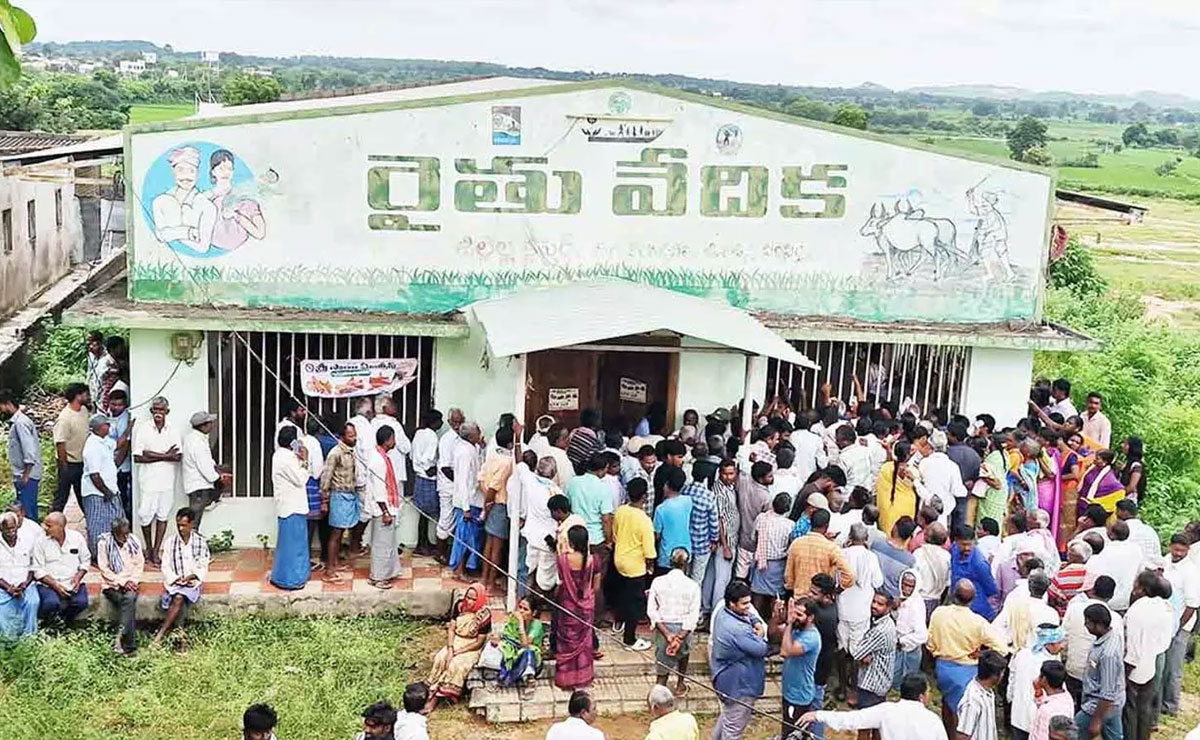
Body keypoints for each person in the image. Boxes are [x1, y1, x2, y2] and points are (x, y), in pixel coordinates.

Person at [928, 579, 1007, 735]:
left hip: (943, 667)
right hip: (966, 669)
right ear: (973, 599)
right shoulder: (978, 622)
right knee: (962, 711)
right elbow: (1002, 648)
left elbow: (930, 643)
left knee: (948, 704)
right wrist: (981, 654)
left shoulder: (939, 613)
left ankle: (947, 735)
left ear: (953, 594)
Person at [798, 673, 950, 740]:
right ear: (922, 697)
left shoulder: (886, 710)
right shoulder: (933, 720)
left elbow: (853, 719)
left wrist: (818, 715)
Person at [710, 579, 768, 740]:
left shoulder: (723, 611)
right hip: (739, 686)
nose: (748, 607)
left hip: (727, 681)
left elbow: (749, 615)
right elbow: (762, 649)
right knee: (732, 731)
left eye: (749, 602)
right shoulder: (737, 629)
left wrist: (757, 622)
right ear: (732, 603)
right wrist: (761, 633)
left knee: (728, 719)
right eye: (744, 604)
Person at [1123, 571, 1173, 740]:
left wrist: (1126, 673)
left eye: (1135, 586)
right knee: (1145, 707)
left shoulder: (1137, 610)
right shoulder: (1165, 607)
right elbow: (1165, 641)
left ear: (1143, 589)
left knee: (1130, 708)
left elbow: (1133, 647)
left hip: (1135, 664)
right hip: (1154, 660)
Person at [133, 397, 183, 565]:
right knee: (145, 515)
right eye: (155, 409)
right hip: (148, 481)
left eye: (161, 410)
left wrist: (151, 454)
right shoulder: (144, 429)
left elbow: (178, 456)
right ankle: (148, 548)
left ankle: (156, 551)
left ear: (167, 411)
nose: (158, 413)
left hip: (167, 481)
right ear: (151, 411)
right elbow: (138, 457)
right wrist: (166, 455)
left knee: (163, 515)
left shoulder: (173, 429)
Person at [426, 583, 492, 707]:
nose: (469, 601)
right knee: (441, 658)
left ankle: (439, 696)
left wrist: (458, 652)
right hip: (456, 640)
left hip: (471, 646)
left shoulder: (484, 616)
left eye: (473, 599)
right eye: (468, 597)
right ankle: (433, 689)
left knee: (455, 665)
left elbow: (479, 643)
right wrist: (451, 649)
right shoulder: (460, 606)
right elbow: (451, 629)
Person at [568, 451, 614, 622]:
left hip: (575, 537)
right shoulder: (603, 488)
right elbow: (606, 518)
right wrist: (608, 541)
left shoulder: (573, 483)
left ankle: (575, 612)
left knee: (576, 578)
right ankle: (595, 617)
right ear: (603, 469)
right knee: (596, 581)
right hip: (596, 540)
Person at [647, 547, 701, 696]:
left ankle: (659, 693)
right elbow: (693, 616)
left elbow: (652, 611)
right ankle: (680, 684)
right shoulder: (693, 586)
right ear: (687, 564)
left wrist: (668, 635)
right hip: (683, 629)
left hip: (663, 628)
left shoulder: (658, 582)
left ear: (670, 562)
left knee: (662, 665)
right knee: (683, 655)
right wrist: (680, 637)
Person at [1062, 576, 1122, 709]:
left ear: (1093, 590)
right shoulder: (1116, 619)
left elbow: (1064, 637)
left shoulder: (1074, 608)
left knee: (1071, 708)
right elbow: (1119, 650)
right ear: (1111, 596)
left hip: (1074, 669)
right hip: (1098, 678)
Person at [153, 507, 210, 646]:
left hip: (192, 582)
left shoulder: (200, 542)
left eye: (184, 525)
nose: (180, 528)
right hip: (175, 582)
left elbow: (203, 565)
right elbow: (165, 566)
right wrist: (176, 579)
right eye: (178, 525)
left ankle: (161, 634)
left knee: (178, 598)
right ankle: (181, 639)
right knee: (179, 598)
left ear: (191, 524)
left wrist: (193, 577)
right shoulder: (170, 542)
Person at [611, 477, 655, 650]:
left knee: (622, 595)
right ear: (644, 497)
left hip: (619, 559)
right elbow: (649, 552)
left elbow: (615, 533)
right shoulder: (644, 520)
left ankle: (618, 623)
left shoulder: (621, 511)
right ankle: (629, 640)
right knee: (635, 604)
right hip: (635, 566)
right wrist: (650, 566)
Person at [269, 425, 312, 590]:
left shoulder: (282, 455)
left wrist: (299, 458)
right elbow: (301, 479)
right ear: (292, 442)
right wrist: (305, 460)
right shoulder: (285, 458)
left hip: (291, 506)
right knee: (293, 546)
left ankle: (291, 576)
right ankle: (291, 579)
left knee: (291, 544)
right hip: (292, 507)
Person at [1162, 533, 1200, 717]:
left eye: (1182, 551)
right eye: (1175, 550)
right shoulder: (1165, 561)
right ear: (1170, 546)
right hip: (1163, 620)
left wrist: (1177, 627)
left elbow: (1192, 605)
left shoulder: (1191, 572)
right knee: (1161, 664)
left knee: (1173, 667)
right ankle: (1159, 701)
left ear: (1188, 550)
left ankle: (1170, 706)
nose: (1178, 554)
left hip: (1181, 625)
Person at [555, 525, 598, 690]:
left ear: (571, 542)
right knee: (584, 644)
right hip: (586, 607)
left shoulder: (563, 560)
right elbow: (596, 587)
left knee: (566, 642)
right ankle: (583, 678)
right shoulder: (594, 561)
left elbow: (561, 581)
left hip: (567, 606)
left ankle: (566, 679)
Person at [1009, 624, 1068, 740]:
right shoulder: (1050, 667)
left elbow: (1011, 679)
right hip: (1038, 721)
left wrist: (1011, 698)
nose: (1063, 646)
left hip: (1018, 716)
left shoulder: (1022, 654)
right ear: (1049, 644)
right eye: (1060, 642)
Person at [1075, 603, 1124, 740]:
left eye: (1088, 622)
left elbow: (1107, 692)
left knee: (1072, 733)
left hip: (1098, 706)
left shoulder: (1108, 654)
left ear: (1099, 625)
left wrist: (1096, 720)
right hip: (1109, 705)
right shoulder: (1110, 636)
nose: (1085, 625)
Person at [479, 423, 519, 590]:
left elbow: (481, 479)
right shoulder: (508, 462)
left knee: (489, 543)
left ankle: (484, 579)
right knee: (497, 547)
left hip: (491, 503)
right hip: (499, 505)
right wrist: (488, 503)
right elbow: (494, 487)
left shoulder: (493, 455)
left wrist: (487, 503)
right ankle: (489, 582)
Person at [96, 517, 143, 654]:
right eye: (122, 535)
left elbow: (139, 564)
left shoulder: (134, 541)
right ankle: (129, 645)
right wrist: (122, 582)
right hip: (112, 585)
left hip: (131, 584)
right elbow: (104, 569)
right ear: (114, 533)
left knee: (128, 599)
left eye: (127, 533)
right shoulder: (104, 543)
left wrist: (132, 581)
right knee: (126, 602)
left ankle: (120, 640)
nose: (125, 537)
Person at [366, 425, 405, 589]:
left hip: (386, 507)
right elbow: (379, 489)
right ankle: (378, 577)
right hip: (382, 509)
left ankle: (387, 573)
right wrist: (385, 512)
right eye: (393, 438)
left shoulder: (381, 457)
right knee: (382, 544)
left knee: (388, 543)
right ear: (388, 440)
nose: (394, 442)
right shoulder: (378, 460)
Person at [81, 413, 124, 559]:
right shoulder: (92, 446)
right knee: (97, 526)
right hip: (97, 493)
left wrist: (129, 429)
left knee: (114, 522)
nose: (109, 426)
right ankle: (96, 556)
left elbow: (118, 444)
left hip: (109, 490)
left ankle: (110, 553)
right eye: (106, 424)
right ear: (99, 428)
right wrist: (106, 492)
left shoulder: (104, 441)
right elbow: (94, 475)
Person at [32, 511, 89, 623]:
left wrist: (78, 577)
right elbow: (37, 569)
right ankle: (50, 624)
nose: (44, 528)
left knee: (81, 602)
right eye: (45, 525)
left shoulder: (77, 538)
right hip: (49, 585)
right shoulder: (40, 541)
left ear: (61, 527)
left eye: (49, 526)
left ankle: (65, 622)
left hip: (72, 583)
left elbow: (86, 560)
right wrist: (55, 586)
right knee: (51, 603)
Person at [319, 422, 358, 581]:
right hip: (338, 496)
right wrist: (324, 500)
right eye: (351, 436)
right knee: (335, 533)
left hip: (349, 495)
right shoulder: (335, 453)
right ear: (342, 437)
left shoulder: (351, 452)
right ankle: (329, 570)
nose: (354, 438)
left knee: (341, 532)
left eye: (355, 435)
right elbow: (326, 478)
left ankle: (335, 562)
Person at [702, 459, 740, 625]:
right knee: (721, 580)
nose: (729, 477)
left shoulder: (729, 487)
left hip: (729, 539)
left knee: (712, 577)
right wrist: (725, 546)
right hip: (726, 542)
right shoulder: (718, 492)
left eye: (731, 473)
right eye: (725, 474)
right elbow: (719, 520)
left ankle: (707, 610)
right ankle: (716, 615)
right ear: (720, 473)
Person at [780, 596, 822, 740]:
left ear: (810, 618)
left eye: (799, 614)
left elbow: (785, 651)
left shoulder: (811, 637)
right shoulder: (797, 629)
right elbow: (773, 634)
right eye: (793, 613)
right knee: (787, 731)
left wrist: (789, 623)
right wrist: (778, 617)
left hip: (799, 696)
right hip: (790, 691)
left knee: (795, 735)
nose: (794, 617)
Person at [449, 422, 484, 578]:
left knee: (472, 538)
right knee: (464, 538)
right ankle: (459, 570)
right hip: (467, 502)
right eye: (477, 432)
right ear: (470, 436)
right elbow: (462, 481)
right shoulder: (464, 452)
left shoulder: (470, 448)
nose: (480, 434)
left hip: (472, 499)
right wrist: (466, 508)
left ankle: (465, 568)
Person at [751, 492, 794, 620]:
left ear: (773, 504)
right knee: (776, 596)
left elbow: (753, 537)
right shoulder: (790, 525)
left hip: (761, 562)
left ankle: (754, 620)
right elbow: (790, 546)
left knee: (757, 594)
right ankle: (774, 622)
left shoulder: (761, 518)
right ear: (787, 509)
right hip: (779, 565)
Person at [852, 591, 897, 714]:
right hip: (879, 682)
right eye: (874, 601)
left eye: (880, 604)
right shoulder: (884, 622)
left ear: (888, 608)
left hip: (872, 685)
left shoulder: (881, 630)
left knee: (866, 721)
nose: (874, 606)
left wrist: (864, 652)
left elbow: (856, 653)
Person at [1, 389, 42, 522]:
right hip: (25, 475)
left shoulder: (20, 423)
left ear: (7, 404)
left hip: (27, 476)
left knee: (27, 513)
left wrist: (26, 475)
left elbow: (29, 451)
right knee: (27, 509)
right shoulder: (19, 422)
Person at [994, 570, 1060, 653]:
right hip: (1042, 656)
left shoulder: (1016, 607)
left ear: (1029, 586)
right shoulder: (1052, 613)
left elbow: (996, 628)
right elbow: (1054, 641)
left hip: (1019, 654)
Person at [51, 383, 90, 514]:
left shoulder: (84, 411)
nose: (88, 397)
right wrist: (64, 466)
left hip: (82, 461)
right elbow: (60, 443)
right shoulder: (65, 419)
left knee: (83, 495)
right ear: (77, 396)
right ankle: (54, 519)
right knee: (62, 495)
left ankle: (91, 519)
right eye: (85, 394)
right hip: (69, 462)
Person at [494, 595, 546, 692]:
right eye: (520, 607)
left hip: (532, 661)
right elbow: (507, 636)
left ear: (534, 613)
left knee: (528, 651)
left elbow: (525, 644)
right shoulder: (514, 621)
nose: (521, 611)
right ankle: (504, 676)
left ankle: (529, 680)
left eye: (525, 609)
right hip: (514, 655)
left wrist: (521, 624)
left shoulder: (536, 625)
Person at [182, 411, 224, 529]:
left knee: (193, 520)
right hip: (199, 487)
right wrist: (218, 478)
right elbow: (205, 467)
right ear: (203, 426)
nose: (212, 425)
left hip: (195, 486)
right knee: (194, 522)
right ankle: (191, 540)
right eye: (210, 423)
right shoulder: (197, 442)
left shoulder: (192, 439)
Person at [410, 409, 443, 556]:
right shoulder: (432, 436)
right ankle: (422, 545)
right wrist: (431, 468)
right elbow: (428, 458)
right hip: (428, 477)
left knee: (423, 514)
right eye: (439, 420)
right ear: (434, 422)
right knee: (428, 513)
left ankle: (423, 542)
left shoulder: (418, 433)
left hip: (419, 476)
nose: (441, 423)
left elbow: (412, 455)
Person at [680, 465, 718, 591]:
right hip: (702, 544)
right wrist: (714, 540)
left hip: (686, 542)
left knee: (684, 576)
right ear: (706, 478)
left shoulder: (685, 491)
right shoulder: (709, 496)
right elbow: (713, 522)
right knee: (697, 579)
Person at [435, 408, 466, 561]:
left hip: (458, 487)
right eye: (455, 422)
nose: (457, 425)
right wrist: (460, 481)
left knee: (456, 520)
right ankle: (440, 553)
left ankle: (451, 553)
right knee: (446, 518)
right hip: (448, 485)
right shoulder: (447, 440)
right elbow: (445, 467)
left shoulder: (463, 438)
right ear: (449, 422)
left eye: (460, 421)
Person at [919, 430, 967, 528]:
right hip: (944, 512)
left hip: (925, 510)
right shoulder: (952, 466)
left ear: (930, 446)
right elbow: (958, 492)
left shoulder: (924, 463)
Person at [949, 525, 999, 619]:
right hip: (957, 606)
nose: (967, 548)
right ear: (956, 541)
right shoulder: (954, 550)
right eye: (963, 544)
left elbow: (991, 589)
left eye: (969, 544)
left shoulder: (979, 564)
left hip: (977, 612)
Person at [956, 649, 1007, 740]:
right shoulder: (973, 701)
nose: (1003, 675)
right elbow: (963, 736)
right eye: (1002, 672)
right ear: (994, 676)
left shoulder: (987, 691)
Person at [347, 397, 375, 555]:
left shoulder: (349, 422)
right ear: (369, 412)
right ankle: (355, 544)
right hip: (362, 476)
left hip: (347, 475)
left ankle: (353, 543)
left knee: (351, 510)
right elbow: (368, 454)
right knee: (366, 511)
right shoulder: (366, 427)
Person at [735, 461, 773, 578]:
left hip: (741, 536)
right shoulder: (765, 497)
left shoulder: (743, 481)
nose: (772, 478)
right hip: (755, 541)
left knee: (740, 573)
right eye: (770, 476)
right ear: (761, 479)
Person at [653, 466, 694, 577]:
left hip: (666, 556)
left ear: (666, 485)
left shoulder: (661, 509)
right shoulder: (688, 501)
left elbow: (657, 535)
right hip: (685, 552)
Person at [1092, 519, 1140, 612]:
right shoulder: (1136, 550)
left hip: (1105, 600)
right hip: (1125, 601)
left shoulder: (1106, 550)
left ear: (1112, 535)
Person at [894, 569, 927, 689]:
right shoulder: (901, 599)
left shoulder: (916, 604)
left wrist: (902, 641)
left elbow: (922, 635)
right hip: (898, 646)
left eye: (910, 586)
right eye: (904, 584)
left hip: (910, 649)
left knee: (909, 682)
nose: (906, 589)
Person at [872, 516, 917, 599]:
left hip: (872, 595)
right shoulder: (910, 561)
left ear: (895, 528)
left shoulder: (877, 543)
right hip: (891, 601)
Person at [914, 522, 951, 616]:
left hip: (918, 600)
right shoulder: (947, 557)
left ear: (926, 536)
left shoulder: (919, 554)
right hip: (936, 601)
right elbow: (948, 584)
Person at [1031, 662, 1075, 740]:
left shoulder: (1046, 711)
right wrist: (1038, 691)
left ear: (1044, 679)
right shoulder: (1067, 697)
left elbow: (1041, 736)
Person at [1049, 541, 1092, 614]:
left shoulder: (1060, 575)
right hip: (1086, 614)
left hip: (1064, 614)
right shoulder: (1092, 574)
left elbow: (1051, 597)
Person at [1077, 450, 1124, 515]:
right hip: (1081, 502)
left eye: (1098, 458)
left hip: (1091, 508)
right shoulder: (1093, 468)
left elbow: (1118, 488)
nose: (1095, 460)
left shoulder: (1109, 477)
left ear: (1105, 462)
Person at [1119, 436, 1145, 503]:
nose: (1123, 446)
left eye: (1126, 444)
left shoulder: (1136, 465)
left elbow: (1131, 486)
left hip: (1128, 501)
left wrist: (1118, 494)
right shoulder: (1127, 462)